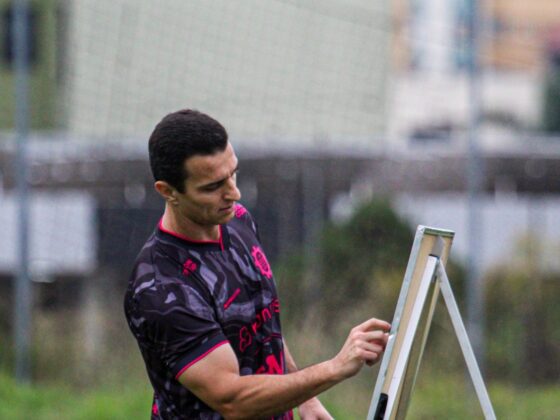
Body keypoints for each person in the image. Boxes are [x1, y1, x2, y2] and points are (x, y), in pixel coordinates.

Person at [124, 109, 391, 419]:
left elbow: (261, 325)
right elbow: (233, 400)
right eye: (212, 187)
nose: (234, 193)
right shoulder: (160, 287)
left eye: (233, 173)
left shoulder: (238, 221)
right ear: (168, 191)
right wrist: (334, 368)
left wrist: (306, 401)